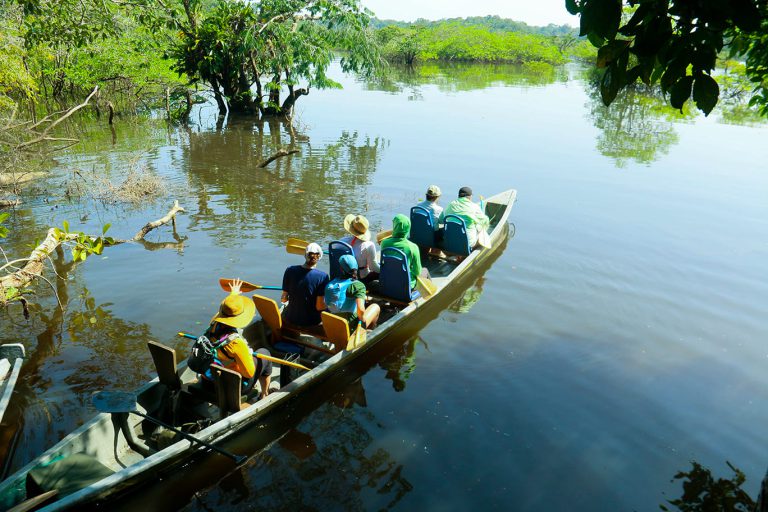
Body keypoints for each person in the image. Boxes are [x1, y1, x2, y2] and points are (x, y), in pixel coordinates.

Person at [203, 278, 273, 399]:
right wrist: (248, 354)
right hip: (230, 387)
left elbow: (226, 309)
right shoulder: (236, 343)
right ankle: (264, 394)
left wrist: (233, 294)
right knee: (264, 353)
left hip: (207, 382)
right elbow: (249, 373)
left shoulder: (213, 324)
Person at [281, 242, 330, 330]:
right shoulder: (323, 276)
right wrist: (329, 305)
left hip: (290, 319)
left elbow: (284, 298)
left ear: (305, 255)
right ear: (319, 257)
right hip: (311, 323)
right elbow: (319, 306)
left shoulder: (290, 270)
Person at [324, 254, 380, 330]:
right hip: (350, 326)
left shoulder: (331, 283)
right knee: (375, 307)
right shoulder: (358, 285)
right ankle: (367, 333)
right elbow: (361, 311)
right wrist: (362, 323)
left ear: (341, 268)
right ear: (356, 267)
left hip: (332, 324)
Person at [380, 214, 423, 291]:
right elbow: (417, 272)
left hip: (388, 282)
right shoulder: (413, 247)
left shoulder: (384, 243)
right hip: (406, 286)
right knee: (424, 272)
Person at [340, 214, 380, 284]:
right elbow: (373, 267)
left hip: (343, 274)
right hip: (361, 278)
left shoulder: (342, 241)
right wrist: (385, 271)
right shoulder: (369, 245)